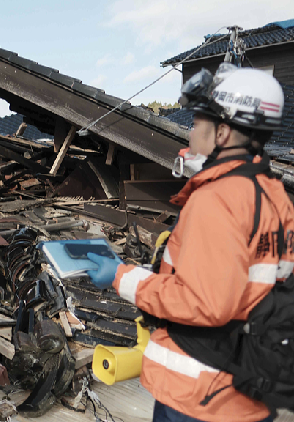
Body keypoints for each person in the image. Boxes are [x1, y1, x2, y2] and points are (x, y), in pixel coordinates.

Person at [86, 65, 290, 422]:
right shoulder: (274, 196)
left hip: (199, 396)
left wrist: (121, 276)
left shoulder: (217, 200)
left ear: (223, 133)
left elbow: (205, 303)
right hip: (247, 386)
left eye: (197, 123)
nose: (190, 131)